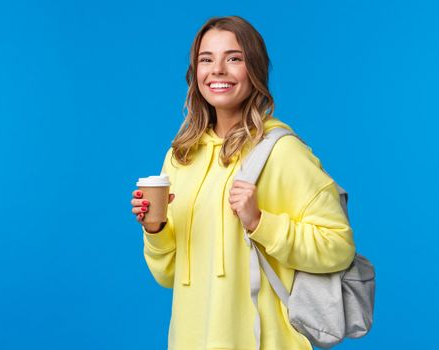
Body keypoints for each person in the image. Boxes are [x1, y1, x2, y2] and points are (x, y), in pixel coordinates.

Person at [131, 15, 355, 350]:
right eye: (206, 60)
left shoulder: (282, 152)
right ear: (196, 74)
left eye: (233, 58)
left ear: (255, 70)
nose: (217, 70)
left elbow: (339, 247)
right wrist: (155, 230)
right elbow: (167, 276)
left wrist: (260, 222)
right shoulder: (180, 156)